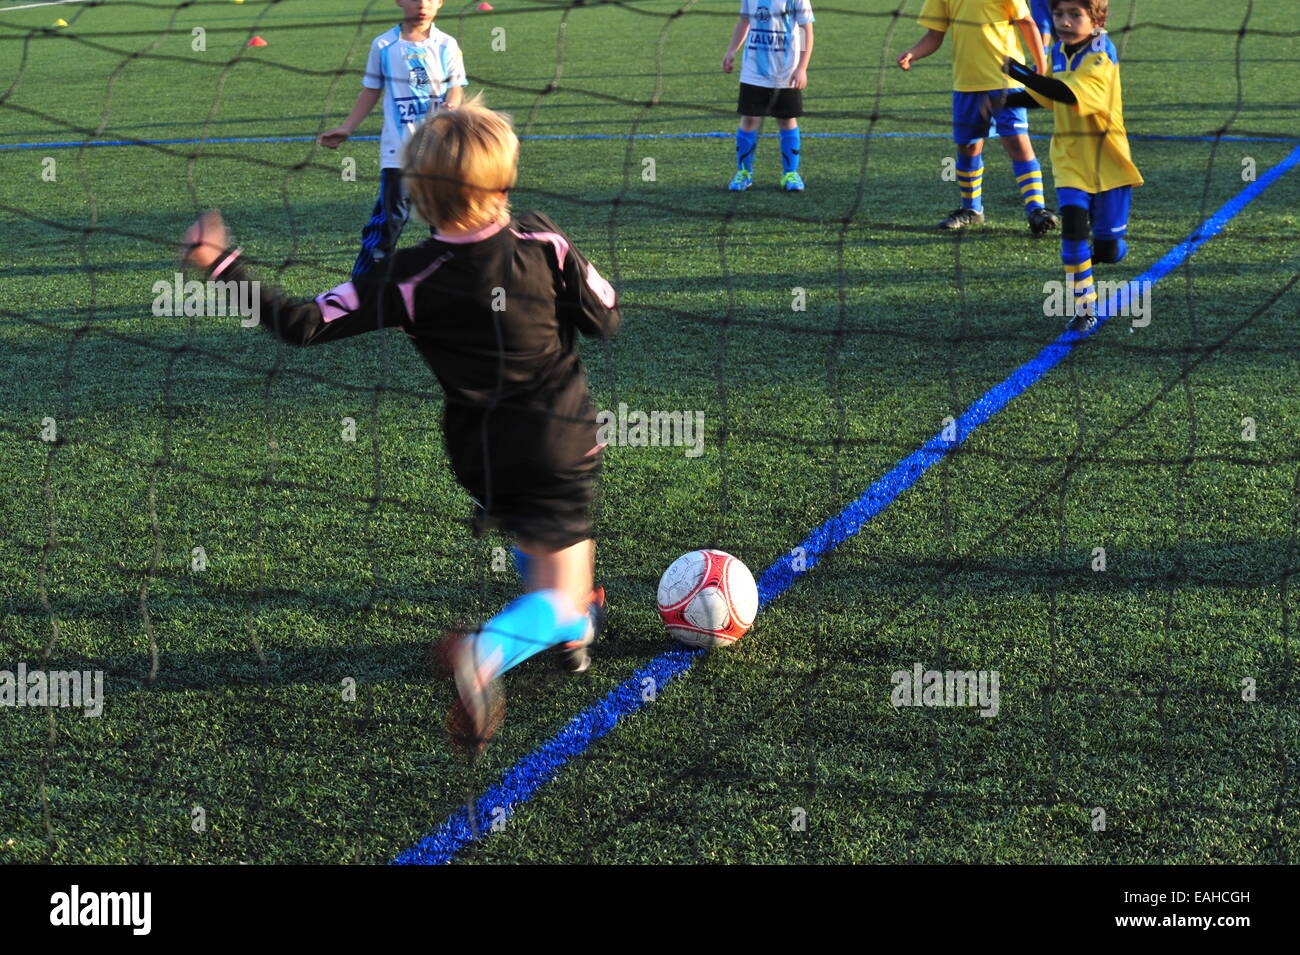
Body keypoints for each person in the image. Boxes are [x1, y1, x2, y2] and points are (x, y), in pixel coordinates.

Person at [180, 98, 619, 753]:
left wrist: (222, 266)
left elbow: (302, 324)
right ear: (504, 182)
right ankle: (492, 648)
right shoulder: (544, 241)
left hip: (480, 455)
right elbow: (605, 317)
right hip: (559, 439)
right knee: (566, 589)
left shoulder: (404, 277)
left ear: (417, 196)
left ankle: (574, 638)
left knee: (547, 547)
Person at [985, 0, 1142, 332]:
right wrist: (1006, 99)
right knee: (1072, 235)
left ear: (1095, 18)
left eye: (1075, 15)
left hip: (1107, 161)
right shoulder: (1059, 50)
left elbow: (1067, 93)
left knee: (1109, 249)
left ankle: (1102, 249)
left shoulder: (1102, 53)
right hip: (1070, 160)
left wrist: (1015, 70)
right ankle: (1085, 309)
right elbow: (1047, 95)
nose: (1064, 22)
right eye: (1058, 14)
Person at [318, 0, 468, 278]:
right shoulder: (384, 45)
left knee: (444, 223)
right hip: (398, 152)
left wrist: (452, 105)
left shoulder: (447, 44)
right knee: (389, 221)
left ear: (440, 3)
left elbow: (456, 87)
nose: (422, 4)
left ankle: (447, 288)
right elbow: (371, 90)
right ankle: (364, 288)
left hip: (438, 154)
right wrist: (347, 127)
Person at [898, 0, 1057, 235]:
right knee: (968, 147)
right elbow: (935, 34)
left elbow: (1026, 22)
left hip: (1007, 81)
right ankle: (972, 210)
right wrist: (913, 53)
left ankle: (1036, 209)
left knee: (1017, 142)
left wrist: (1041, 67)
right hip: (967, 84)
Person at [722, 0, 815, 192]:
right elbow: (744, 21)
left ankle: (791, 173)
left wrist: (802, 68)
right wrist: (732, 50)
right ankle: (744, 173)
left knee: (787, 119)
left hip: (786, 71)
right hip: (753, 70)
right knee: (749, 119)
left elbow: (806, 30)